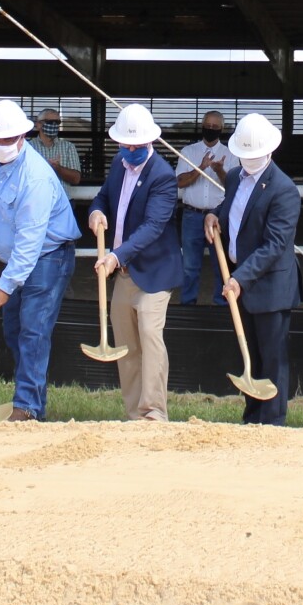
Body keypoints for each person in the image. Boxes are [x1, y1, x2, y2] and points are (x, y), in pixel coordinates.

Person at [0, 99, 80, 421]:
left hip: (47, 259)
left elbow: (30, 242)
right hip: (7, 256)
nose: (1, 145)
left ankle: (27, 407)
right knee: (15, 329)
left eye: (7, 139)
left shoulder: (36, 177)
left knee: (33, 329)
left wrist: (3, 288)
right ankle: (33, 402)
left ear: (23, 136)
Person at [204, 113, 302, 426]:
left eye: (253, 155)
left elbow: (274, 245)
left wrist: (240, 278)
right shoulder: (233, 176)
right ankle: (253, 419)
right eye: (243, 155)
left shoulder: (284, 190)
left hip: (269, 287)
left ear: (269, 151)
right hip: (238, 281)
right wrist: (212, 216)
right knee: (250, 355)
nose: (247, 161)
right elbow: (231, 210)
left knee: (271, 360)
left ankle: (273, 423)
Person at [88, 104, 183, 422]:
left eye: (136, 147)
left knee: (149, 335)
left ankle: (154, 411)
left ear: (149, 142)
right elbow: (103, 196)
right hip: (124, 275)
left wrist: (115, 256)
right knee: (126, 344)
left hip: (154, 272)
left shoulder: (164, 176)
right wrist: (96, 212)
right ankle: (134, 415)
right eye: (126, 146)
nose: (130, 151)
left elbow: (153, 227)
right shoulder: (118, 163)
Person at [176, 111, 238, 306]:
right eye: (208, 125)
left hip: (219, 217)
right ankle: (188, 304)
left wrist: (220, 171)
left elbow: (235, 186)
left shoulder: (231, 155)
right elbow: (180, 182)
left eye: (215, 127)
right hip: (192, 215)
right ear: (201, 125)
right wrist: (201, 168)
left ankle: (222, 304)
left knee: (221, 265)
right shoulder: (188, 152)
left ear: (222, 129)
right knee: (189, 267)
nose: (211, 129)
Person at [30, 108, 82, 196]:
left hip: (63, 203)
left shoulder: (68, 147)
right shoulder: (29, 147)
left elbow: (76, 179)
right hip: (36, 202)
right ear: (38, 124)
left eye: (57, 122)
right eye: (49, 122)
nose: (54, 125)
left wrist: (57, 168)